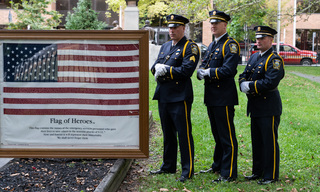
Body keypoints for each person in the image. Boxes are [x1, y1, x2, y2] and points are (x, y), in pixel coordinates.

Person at [150, 14, 200, 182]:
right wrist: (158, 69)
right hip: (163, 95)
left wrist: (167, 70)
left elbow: (187, 71)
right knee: (168, 134)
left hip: (180, 97)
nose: (171, 30)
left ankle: (187, 169)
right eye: (170, 27)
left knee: (183, 134)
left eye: (175, 27)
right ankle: (168, 165)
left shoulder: (190, 47)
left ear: (183, 28)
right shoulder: (164, 46)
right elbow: (154, 67)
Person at [197, 10, 240, 183]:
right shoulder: (213, 44)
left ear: (225, 25)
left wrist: (209, 72)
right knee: (217, 134)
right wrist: (201, 71)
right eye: (211, 23)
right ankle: (218, 165)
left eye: (217, 23)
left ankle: (229, 173)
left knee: (227, 135)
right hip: (212, 96)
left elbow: (229, 70)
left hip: (223, 96)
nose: (213, 26)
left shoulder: (230, 45)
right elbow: (205, 64)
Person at [238, 26, 285, 185]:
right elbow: (243, 75)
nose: (258, 41)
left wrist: (250, 86)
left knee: (269, 141)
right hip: (255, 106)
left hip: (268, 106)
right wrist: (242, 83)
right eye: (257, 38)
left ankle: (270, 175)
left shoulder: (274, 60)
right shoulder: (254, 57)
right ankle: (257, 172)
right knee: (257, 141)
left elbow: (271, 81)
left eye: (262, 38)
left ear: (271, 40)